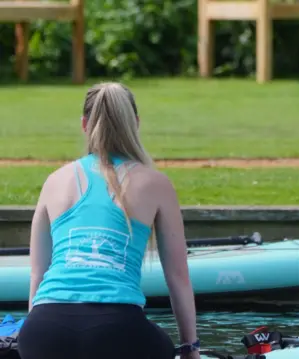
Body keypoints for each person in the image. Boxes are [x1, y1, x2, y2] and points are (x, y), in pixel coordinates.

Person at [17, 82, 201, 359]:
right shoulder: (155, 183)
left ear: (84, 124)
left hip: (43, 330)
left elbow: (37, 275)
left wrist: (34, 341)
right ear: (135, 124)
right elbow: (178, 277)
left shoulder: (54, 181)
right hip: (119, 330)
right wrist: (190, 348)